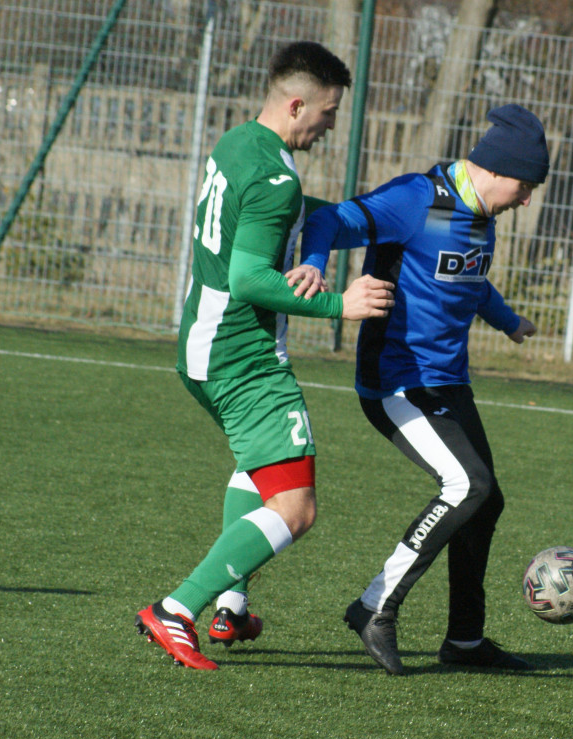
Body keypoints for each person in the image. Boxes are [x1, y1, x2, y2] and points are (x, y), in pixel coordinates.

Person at [134, 41, 394, 670]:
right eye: (328, 114)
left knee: (258, 470)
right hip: (242, 358)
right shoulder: (278, 177)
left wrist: (333, 221)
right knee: (296, 508)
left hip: (199, 346)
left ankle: (230, 604)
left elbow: (268, 217)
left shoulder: (236, 144)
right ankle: (177, 610)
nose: (330, 127)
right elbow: (251, 278)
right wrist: (342, 305)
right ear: (297, 103)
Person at [300, 104, 549, 674]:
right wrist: (315, 265)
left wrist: (508, 320)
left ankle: (464, 641)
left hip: (448, 382)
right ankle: (374, 607)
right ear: (498, 170)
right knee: (468, 486)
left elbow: (468, 276)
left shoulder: (480, 211)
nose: (528, 199)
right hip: (397, 381)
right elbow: (328, 221)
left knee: (486, 502)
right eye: (526, 186)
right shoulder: (417, 197)